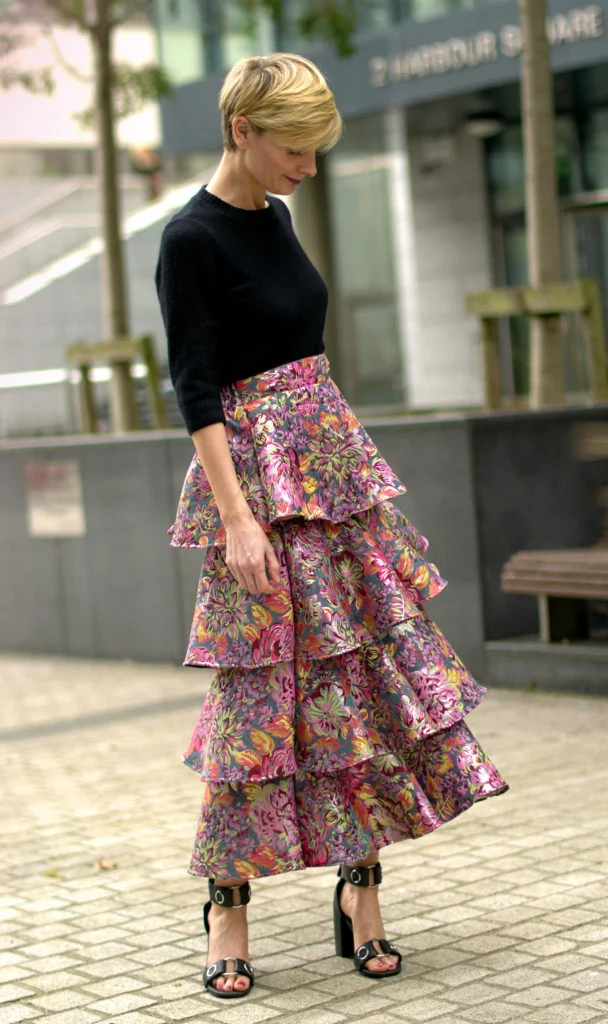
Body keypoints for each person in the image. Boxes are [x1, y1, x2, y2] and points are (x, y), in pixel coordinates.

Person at [155, 52, 508, 1001]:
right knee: (256, 697)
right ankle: (227, 908)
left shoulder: (277, 216)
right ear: (243, 130)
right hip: (259, 488)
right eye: (296, 149)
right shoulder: (189, 238)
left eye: (316, 150)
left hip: (334, 475)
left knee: (357, 684)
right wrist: (237, 520)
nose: (309, 168)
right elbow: (195, 388)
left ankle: (362, 892)